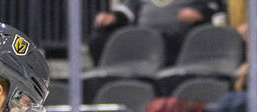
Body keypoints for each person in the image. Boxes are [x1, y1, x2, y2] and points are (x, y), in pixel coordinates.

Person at [88, 0, 223, 67]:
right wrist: (113, 17)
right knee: (99, 39)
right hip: (143, 39)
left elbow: (216, 9)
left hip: (181, 37)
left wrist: (201, 15)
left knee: (178, 38)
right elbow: (127, 10)